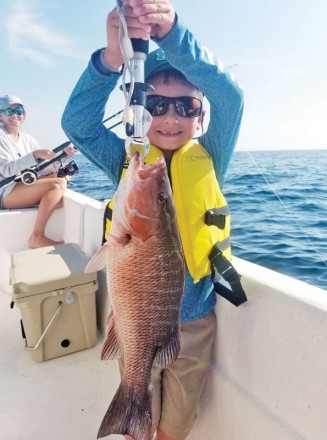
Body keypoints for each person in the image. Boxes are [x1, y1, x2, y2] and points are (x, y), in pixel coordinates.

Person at [62, 1, 244, 439]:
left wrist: (173, 33)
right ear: (140, 109)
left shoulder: (211, 156)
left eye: (185, 107)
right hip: (134, 321)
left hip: (195, 320)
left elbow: (230, 96)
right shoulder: (125, 161)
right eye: (158, 104)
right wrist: (110, 60)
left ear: (200, 117)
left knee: (175, 424)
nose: (170, 117)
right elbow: (77, 123)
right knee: (135, 410)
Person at [0, 94, 76, 249]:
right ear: (1, 115)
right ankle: (37, 237)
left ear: (24, 114)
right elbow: (7, 170)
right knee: (57, 185)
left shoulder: (29, 139)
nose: (15, 115)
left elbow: (41, 169)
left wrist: (62, 158)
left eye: (19, 111)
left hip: (23, 186)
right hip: (6, 193)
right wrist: (35, 155)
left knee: (59, 190)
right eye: (8, 111)